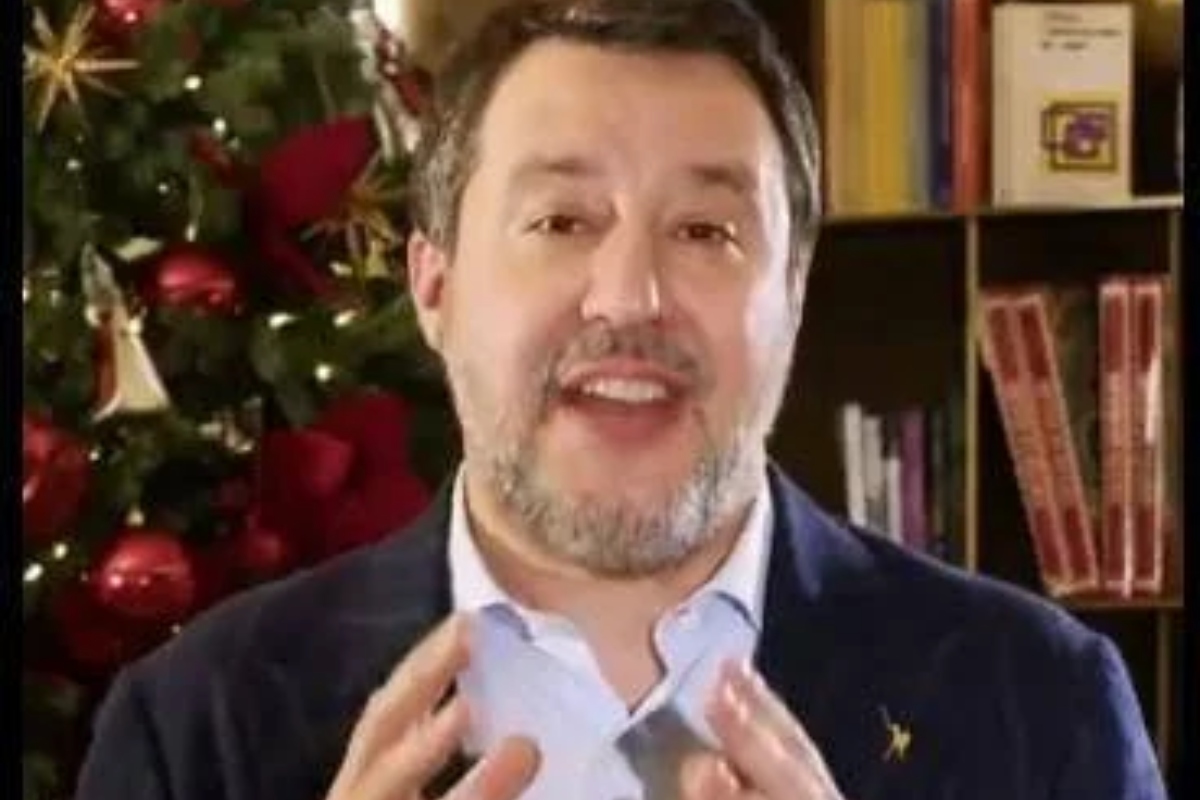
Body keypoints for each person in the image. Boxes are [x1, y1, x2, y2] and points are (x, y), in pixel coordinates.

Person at [75, 0, 1168, 798]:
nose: (631, 296)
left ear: (793, 295)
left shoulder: (1041, 705)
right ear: (435, 286)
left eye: (705, 230)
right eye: (561, 221)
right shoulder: (194, 731)